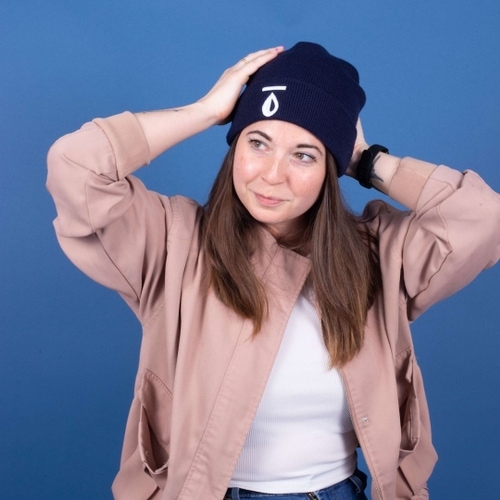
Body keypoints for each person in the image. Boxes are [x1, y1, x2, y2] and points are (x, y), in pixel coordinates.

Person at [46, 42, 500, 500]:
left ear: (330, 169)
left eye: (304, 155)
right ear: (234, 145)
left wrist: (365, 160)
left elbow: (485, 218)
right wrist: (205, 111)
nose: (271, 175)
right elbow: (75, 167)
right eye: (257, 143)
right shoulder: (173, 243)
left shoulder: (378, 255)